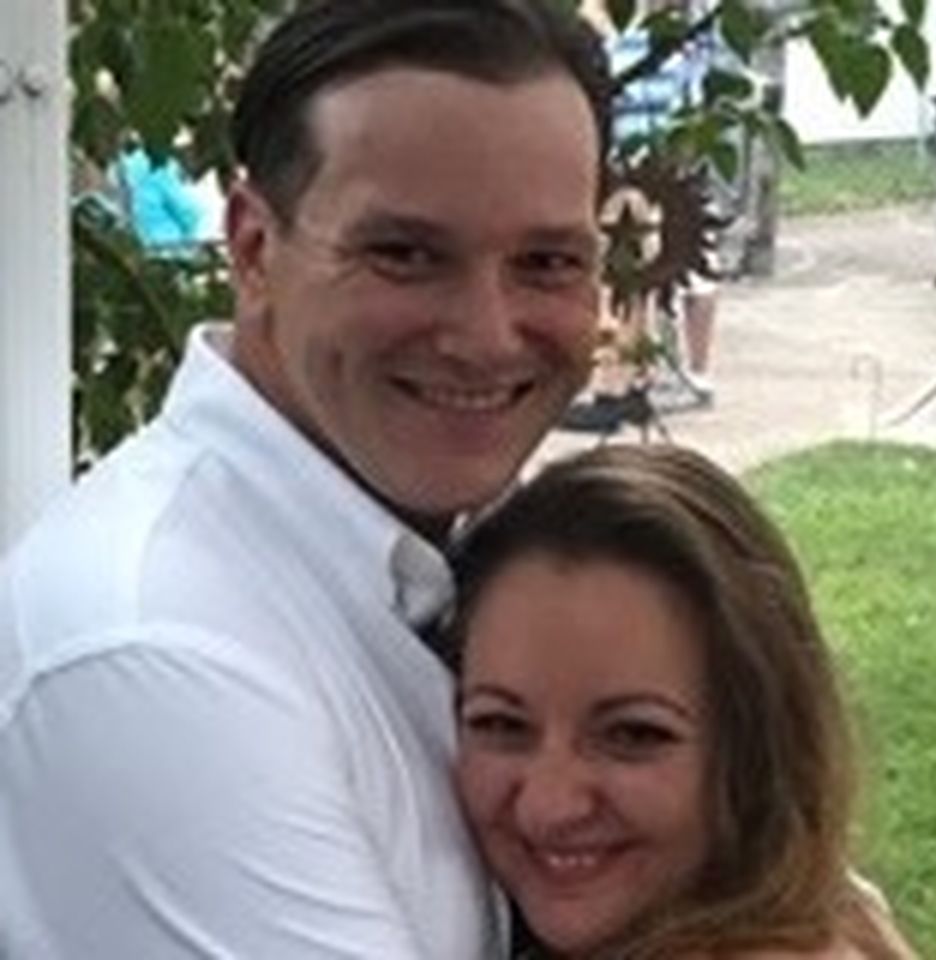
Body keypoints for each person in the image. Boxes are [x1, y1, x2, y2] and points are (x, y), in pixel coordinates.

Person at [0, 2, 612, 957]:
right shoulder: (164, 648)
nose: (488, 336)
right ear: (253, 249)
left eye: (546, 262)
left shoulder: (405, 554)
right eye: (405, 255)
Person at [451, 444, 917, 959]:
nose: (548, 807)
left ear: (760, 746)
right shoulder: (828, 904)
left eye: (632, 735)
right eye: (501, 724)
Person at [608, 0, 724, 405]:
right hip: (634, 170)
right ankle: (644, 372)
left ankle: (696, 372)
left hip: (674, 169)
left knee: (692, 268)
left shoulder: (694, 37)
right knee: (642, 274)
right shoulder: (628, 36)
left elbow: (696, 105)